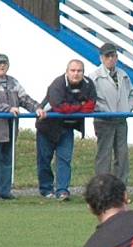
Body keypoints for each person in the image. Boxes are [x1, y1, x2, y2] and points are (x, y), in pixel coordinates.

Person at [0, 53, 45, 201]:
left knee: (7, 161)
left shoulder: (14, 83)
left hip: (10, 129)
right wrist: (8, 109)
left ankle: (4, 191)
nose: (2, 66)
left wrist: (37, 108)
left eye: (4, 63)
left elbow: (24, 99)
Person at [35, 59, 97, 201]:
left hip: (67, 127)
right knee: (44, 160)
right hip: (47, 127)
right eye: (73, 70)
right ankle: (46, 189)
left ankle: (63, 191)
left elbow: (91, 106)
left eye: (79, 71)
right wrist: (79, 106)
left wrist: (72, 108)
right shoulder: (57, 84)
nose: (76, 74)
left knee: (65, 159)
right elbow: (59, 107)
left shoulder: (88, 84)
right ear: (67, 71)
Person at [90, 43, 133, 184]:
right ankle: (102, 188)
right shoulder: (94, 77)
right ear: (101, 58)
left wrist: (127, 110)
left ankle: (121, 188)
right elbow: (91, 99)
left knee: (122, 155)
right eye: (107, 56)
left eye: (113, 56)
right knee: (104, 155)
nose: (110, 59)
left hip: (121, 120)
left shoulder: (123, 75)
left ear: (117, 57)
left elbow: (131, 93)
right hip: (103, 121)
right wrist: (103, 111)